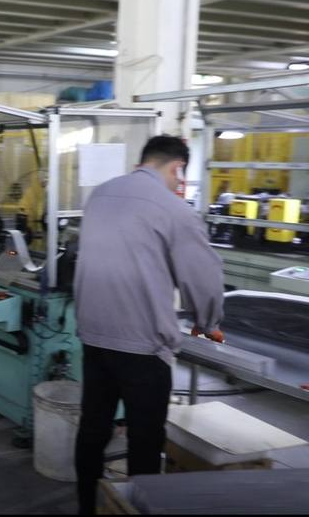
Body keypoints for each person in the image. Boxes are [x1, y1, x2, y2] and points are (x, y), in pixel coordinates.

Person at [72, 135, 225, 514]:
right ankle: (139, 508)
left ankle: (87, 507)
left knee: (93, 428)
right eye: (180, 176)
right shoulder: (172, 209)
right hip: (143, 346)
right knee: (144, 439)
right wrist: (207, 321)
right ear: (177, 167)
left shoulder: (100, 195)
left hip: (94, 337)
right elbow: (203, 277)